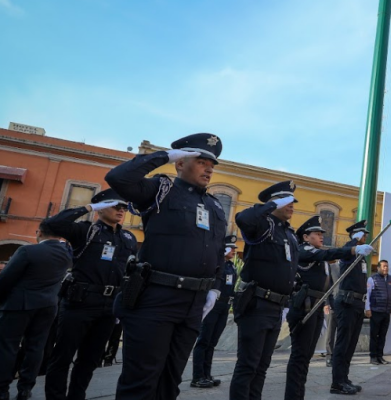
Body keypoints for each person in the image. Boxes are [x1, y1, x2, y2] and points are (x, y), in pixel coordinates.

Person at [105, 133, 227, 399]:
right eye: (201, 160)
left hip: (193, 304)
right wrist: (164, 155)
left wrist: (214, 288)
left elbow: (218, 252)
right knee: (141, 382)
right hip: (156, 299)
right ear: (180, 163)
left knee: (170, 381)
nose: (209, 168)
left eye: (212, 164)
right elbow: (118, 179)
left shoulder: (214, 205)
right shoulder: (161, 190)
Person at [43, 189, 138, 400]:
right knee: (63, 356)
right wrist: (88, 207)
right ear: (101, 208)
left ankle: (77, 396)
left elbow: (129, 272)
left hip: (109, 305)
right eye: (115, 206)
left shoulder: (128, 237)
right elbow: (52, 225)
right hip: (80, 301)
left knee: (90, 359)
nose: (121, 210)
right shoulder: (86, 231)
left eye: (123, 207)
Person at [231, 180, 300, 400]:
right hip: (257, 303)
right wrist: (271, 205)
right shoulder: (263, 224)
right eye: (286, 202)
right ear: (275, 202)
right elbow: (242, 218)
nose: (291, 206)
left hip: (276, 306)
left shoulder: (288, 233)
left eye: (292, 202)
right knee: (248, 365)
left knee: (262, 366)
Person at [286, 216, 365, 400]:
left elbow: (327, 284)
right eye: (317, 233)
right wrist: (353, 248)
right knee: (299, 357)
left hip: (315, 307)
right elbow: (326, 254)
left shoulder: (318, 255)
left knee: (305, 358)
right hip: (304, 309)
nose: (321, 236)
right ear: (306, 237)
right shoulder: (305, 250)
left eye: (322, 233)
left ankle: (298, 395)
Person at [0, 223, 72, 400]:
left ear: (39, 232)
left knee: (7, 347)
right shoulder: (67, 254)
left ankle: (2, 389)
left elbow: (6, 278)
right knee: (36, 347)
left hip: (19, 305)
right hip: (48, 306)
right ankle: (25, 388)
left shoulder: (27, 251)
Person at [330, 220, 376, 395]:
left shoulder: (361, 254)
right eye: (363, 234)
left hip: (357, 303)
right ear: (356, 234)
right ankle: (337, 382)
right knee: (343, 344)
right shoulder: (350, 250)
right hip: (347, 302)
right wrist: (354, 246)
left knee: (350, 344)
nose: (365, 237)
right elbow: (345, 252)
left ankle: (344, 378)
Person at [190, 235, 238, 388]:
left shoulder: (231, 266)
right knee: (204, 341)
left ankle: (207, 374)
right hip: (214, 305)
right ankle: (197, 377)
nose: (234, 251)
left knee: (212, 343)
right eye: (232, 248)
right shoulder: (217, 264)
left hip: (224, 307)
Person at [365, 260, 391, 365]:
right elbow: (367, 295)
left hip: (386, 311)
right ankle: (373, 356)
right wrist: (367, 309)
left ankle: (380, 356)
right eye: (383, 266)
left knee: (382, 335)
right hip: (375, 311)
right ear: (378, 268)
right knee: (374, 335)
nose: (385, 268)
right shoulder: (372, 279)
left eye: (387, 266)